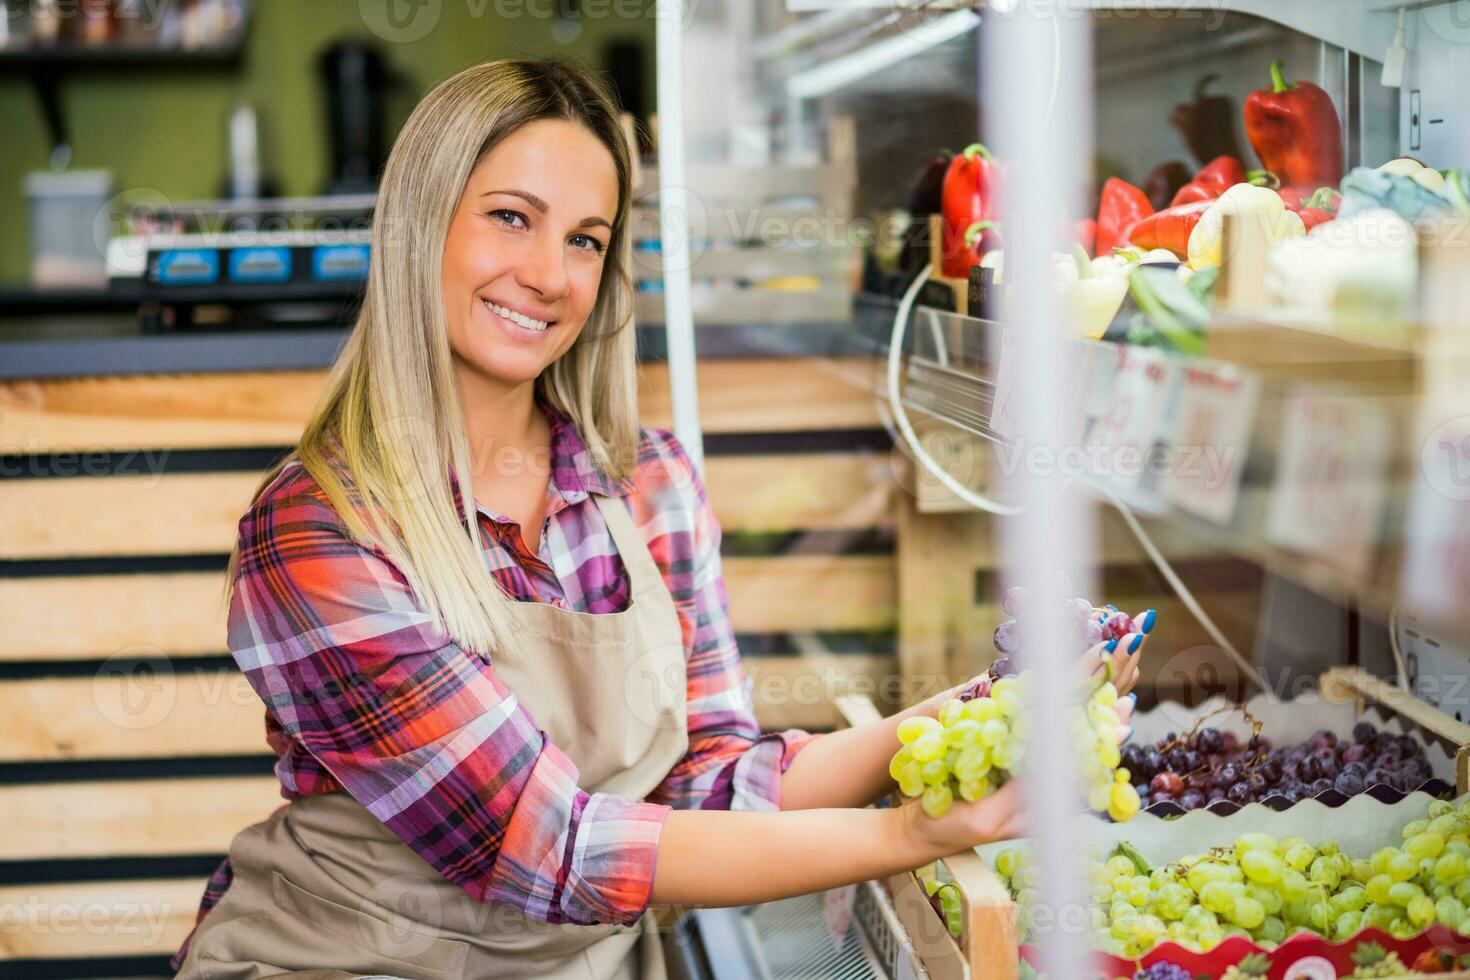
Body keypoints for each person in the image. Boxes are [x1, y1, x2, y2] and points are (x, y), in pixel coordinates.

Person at [170, 58, 1148, 980]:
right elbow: (543, 846)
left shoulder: (650, 487)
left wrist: (969, 717)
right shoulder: (319, 533)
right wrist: (912, 831)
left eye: (585, 238)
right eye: (512, 218)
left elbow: (703, 784)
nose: (550, 274)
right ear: (422, 225)